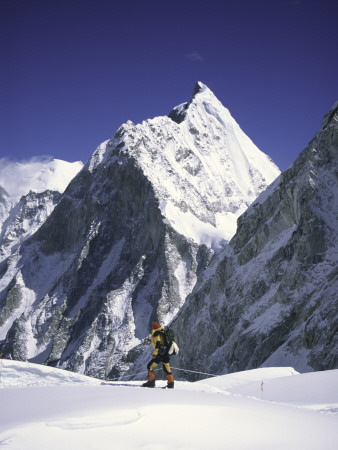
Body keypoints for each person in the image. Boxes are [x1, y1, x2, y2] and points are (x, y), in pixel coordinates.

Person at [142, 321, 174, 388]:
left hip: (160, 354)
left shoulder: (156, 333)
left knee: (150, 366)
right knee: (166, 367)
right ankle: (171, 384)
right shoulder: (164, 332)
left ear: (153, 328)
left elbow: (158, 344)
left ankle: (151, 382)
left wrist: (154, 354)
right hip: (166, 353)